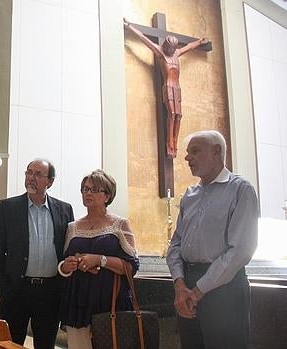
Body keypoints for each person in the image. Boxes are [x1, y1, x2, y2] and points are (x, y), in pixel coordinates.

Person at [167, 130, 259, 349]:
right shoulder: (189, 195)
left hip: (223, 289)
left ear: (216, 151)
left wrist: (197, 291)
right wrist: (181, 287)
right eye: (187, 153)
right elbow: (175, 245)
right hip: (186, 286)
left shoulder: (240, 189)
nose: (187, 158)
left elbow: (240, 250)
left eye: (195, 151)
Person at [0, 159, 74, 349]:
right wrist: (3, 288)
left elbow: (67, 250)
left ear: (50, 182)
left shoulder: (64, 210)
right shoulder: (7, 208)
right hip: (16, 290)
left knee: (45, 344)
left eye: (38, 174)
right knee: (11, 345)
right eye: (28, 173)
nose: (31, 178)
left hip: (50, 292)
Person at [58, 169, 139, 349]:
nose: (88, 193)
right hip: (78, 300)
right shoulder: (72, 227)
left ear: (107, 195)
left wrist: (100, 259)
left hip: (110, 300)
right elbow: (63, 264)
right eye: (85, 189)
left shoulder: (120, 224)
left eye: (94, 189)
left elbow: (131, 266)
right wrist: (66, 266)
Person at [124, 18, 208, 158]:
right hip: (168, 86)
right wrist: (129, 26)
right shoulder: (160, 51)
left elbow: (189, 47)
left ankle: (175, 141)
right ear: (166, 45)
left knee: (179, 115)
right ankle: (170, 141)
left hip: (177, 87)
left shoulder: (176, 53)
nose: (171, 50)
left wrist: (200, 42)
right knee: (172, 114)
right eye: (169, 47)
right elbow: (144, 38)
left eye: (173, 48)